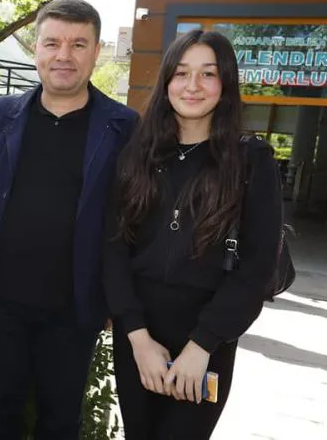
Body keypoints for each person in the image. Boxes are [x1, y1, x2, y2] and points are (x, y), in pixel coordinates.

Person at [102, 29, 283, 439]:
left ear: (226, 82)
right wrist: (137, 337)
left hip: (207, 341)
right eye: (182, 73)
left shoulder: (251, 161)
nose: (193, 86)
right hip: (138, 335)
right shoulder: (138, 154)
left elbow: (256, 269)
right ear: (167, 81)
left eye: (208, 74)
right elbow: (113, 248)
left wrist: (202, 345)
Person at [0, 0, 138, 439]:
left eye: (78, 44)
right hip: (0, 301)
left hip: (74, 306)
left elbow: (134, 217)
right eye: (52, 43)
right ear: (36, 49)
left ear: (96, 51)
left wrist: (116, 296)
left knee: (60, 421)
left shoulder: (123, 126)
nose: (64, 55)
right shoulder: (3, 115)